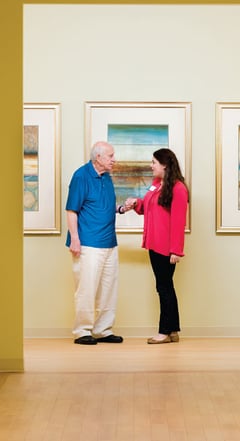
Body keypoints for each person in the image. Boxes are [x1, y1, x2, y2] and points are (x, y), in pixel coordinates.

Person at [66, 141, 129, 345]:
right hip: (88, 243)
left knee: (108, 288)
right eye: (110, 156)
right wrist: (75, 239)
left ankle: (103, 329)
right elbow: (71, 210)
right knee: (86, 288)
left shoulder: (107, 177)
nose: (114, 159)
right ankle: (82, 331)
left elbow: (104, 206)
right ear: (98, 158)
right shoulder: (81, 176)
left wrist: (121, 209)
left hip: (109, 242)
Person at [125, 148, 188, 344]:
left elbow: (178, 222)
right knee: (166, 287)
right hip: (154, 244)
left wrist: (176, 250)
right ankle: (173, 331)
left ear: (165, 165)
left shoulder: (178, 189)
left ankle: (164, 331)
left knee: (164, 287)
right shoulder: (157, 185)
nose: (151, 166)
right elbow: (147, 207)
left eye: (154, 162)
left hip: (166, 248)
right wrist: (136, 202)